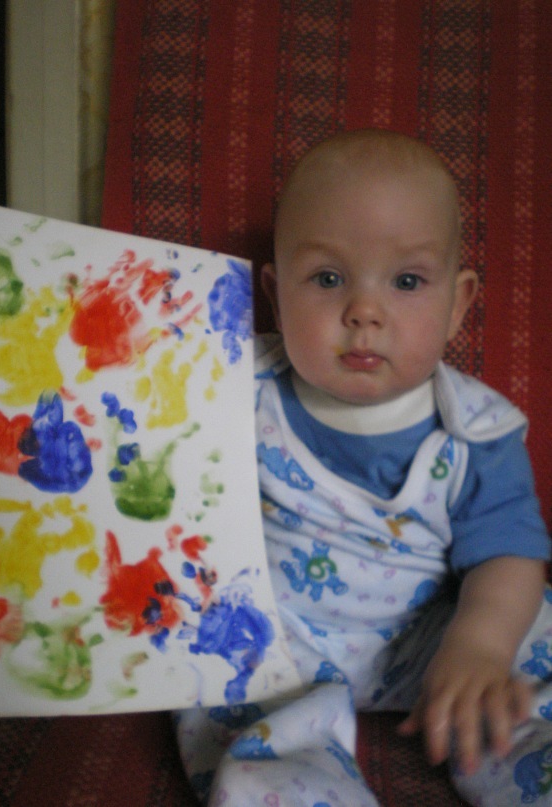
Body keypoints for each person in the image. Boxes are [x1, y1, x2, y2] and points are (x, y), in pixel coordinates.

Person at [177, 129, 552, 806]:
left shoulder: (475, 431)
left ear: (457, 303)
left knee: (532, 646)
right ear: (275, 292)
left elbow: (509, 550)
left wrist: (481, 645)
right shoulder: (230, 387)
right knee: (212, 664)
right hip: (281, 642)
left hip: (435, 638)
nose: (364, 312)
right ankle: (293, 782)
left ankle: (523, 757)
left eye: (407, 282)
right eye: (327, 279)